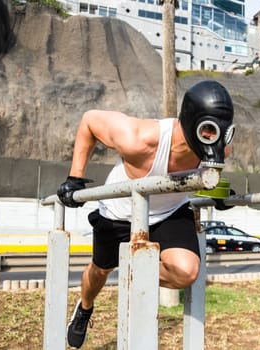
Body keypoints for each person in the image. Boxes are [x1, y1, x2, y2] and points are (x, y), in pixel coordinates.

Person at [57, 80, 235, 349]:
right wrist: (74, 177)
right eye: (209, 131)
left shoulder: (219, 146)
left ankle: (133, 268)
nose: (216, 139)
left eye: (223, 132)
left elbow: (197, 178)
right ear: (190, 123)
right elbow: (89, 121)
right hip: (118, 213)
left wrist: (216, 195)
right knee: (99, 272)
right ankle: (84, 308)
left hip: (168, 213)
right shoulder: (139, 139)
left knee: (186, 272)